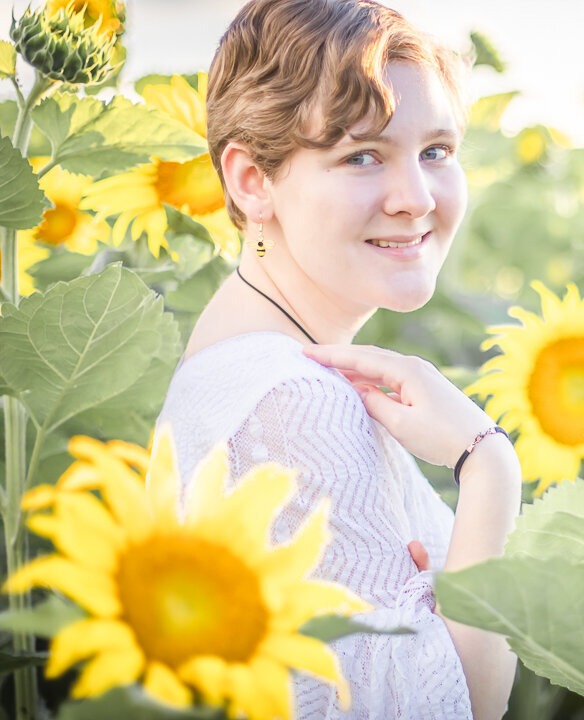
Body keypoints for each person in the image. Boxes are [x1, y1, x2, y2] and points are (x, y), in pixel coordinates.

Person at [153, 0, 521, 718]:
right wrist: (487, 462)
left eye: (437, 151)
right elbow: (462, 709)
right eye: (362, 155)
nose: (415, 199)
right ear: (253, 180)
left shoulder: (247, 349)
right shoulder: (295, 406)